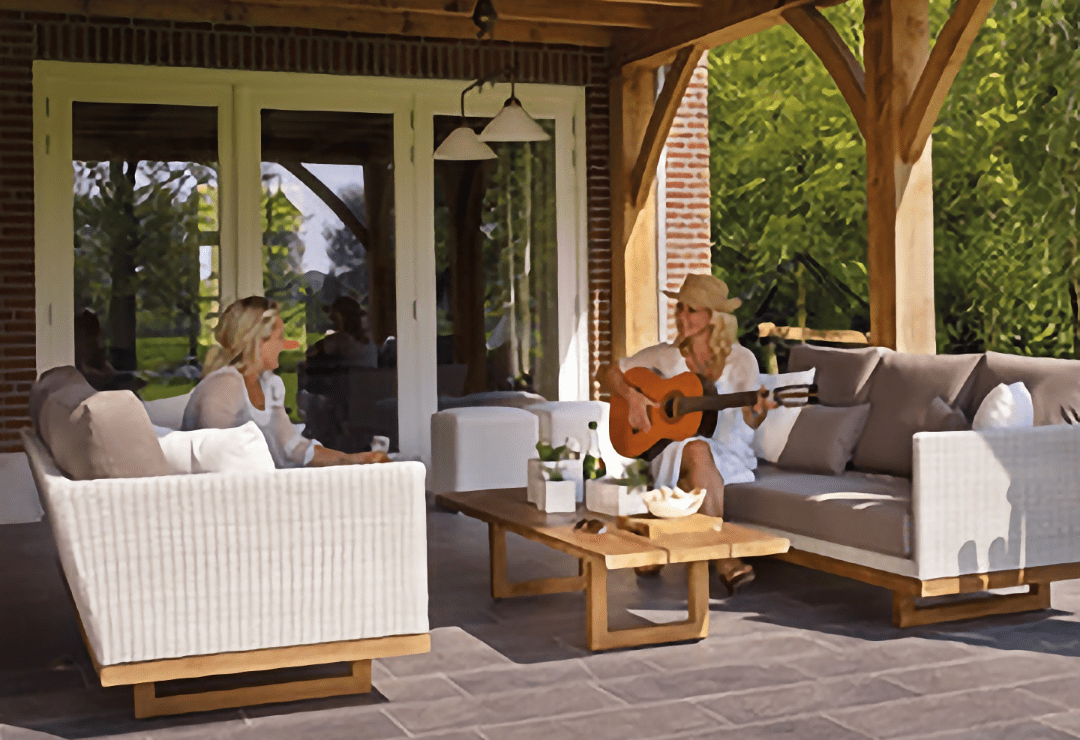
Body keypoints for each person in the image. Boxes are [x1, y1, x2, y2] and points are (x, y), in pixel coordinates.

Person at [602, 274, 775, 593]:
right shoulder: (664, 356)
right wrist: (633, 397)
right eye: (679, 308)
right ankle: (724, 557)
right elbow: (609, 373)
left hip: (728, 451)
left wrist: (758, 413)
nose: (681, 316)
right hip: (672, 449)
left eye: (690, 310)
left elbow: (749, 422)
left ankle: (660, 546)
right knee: (695, 447)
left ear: (713, 317)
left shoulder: (742, 360)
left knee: (696, 464)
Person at [183, 296, 389, 467]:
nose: (284, 345)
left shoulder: (269, 384)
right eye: (279, 337)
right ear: (257, 341)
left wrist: (352, 459)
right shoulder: (223, 388)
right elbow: (217, 463)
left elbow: (293, 447)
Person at [306, 296, 377, 368]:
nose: (333, 323)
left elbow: (312, 351)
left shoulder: (342, 340)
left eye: (334, 318)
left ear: (345, 317)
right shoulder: (370, 336)